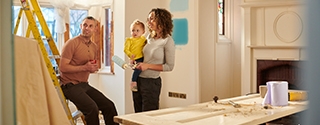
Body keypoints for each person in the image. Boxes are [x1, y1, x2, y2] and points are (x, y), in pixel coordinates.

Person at [59, 16, 119, 125]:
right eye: (85, 25)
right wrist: (85, 67)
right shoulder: (71, 43)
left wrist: (92, 68)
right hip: (69, 86)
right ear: (81, 26)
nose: (87, 28)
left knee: (109, 105)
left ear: (95, 29)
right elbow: (62, 67)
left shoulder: (94, 47)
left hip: (84, 85)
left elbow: (89, 66)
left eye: (90, 26)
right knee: (92, 109)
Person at [132, 8, 175, 113]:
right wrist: (134, 60)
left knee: (148, 117)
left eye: (152, 19)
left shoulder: (167, 41)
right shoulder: (149, 38)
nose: (148, 22)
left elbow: (169, 66)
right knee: (137, 116)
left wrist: (147, 66)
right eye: (148, 19)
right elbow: (144, 57)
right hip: (138, 80)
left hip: (151, 83)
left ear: (161, 21)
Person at [124, 19, 147, 92]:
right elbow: (125, 49)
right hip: (136, 58)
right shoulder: (129, 40)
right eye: (133, 30)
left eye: (137, 30)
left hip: (143, 57)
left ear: (143, 32)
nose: (135, 32)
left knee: (141, 70)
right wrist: (131, 55)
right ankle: (133, 82)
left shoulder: (143, 39)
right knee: (137, 70)